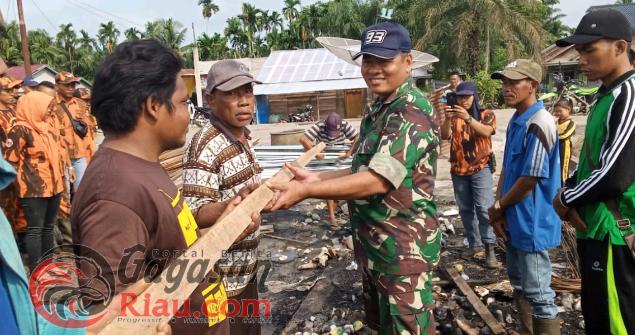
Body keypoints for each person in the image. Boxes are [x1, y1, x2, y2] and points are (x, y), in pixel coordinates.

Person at [71, 40, 257, 334]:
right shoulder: (114, 193)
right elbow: (115, 318)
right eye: (184, 102)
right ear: (154, 107)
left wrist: (225, 226)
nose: (188, 112)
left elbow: (170, 251)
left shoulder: (140, 166)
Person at [268, 22, 441, 334]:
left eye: (383, 61)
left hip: (403, 254)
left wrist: (307, 193)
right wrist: (313, 179)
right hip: (377, 249)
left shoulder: (410, 110)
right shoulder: (380, 108)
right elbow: (361, 171)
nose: (373, 69)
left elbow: (377, 180)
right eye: (368, 61)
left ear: (407, 61)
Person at [552, 9, 635, 334]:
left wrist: (565, 198)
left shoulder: (628, 96)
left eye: (589, 50)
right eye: (579, 52)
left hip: (615, 232)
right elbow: (593, 162)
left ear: (619, 47)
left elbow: (614, 174)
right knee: (599, 319)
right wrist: (569, 189)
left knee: (617, 324)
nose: (581, 59)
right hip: (597, 232)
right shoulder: (607, 97)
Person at [182, 59, 263, 334]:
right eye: (232, 93)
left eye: (247, 91)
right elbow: (193, 214)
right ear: (211, 99)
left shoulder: (242, 136)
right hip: (220, 283)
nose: (243, 102)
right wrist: (232, 208)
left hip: (245, 272)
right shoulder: (205, 144)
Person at [488, 59, 561, 334]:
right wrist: (498, 208)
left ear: (533, 85)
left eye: (514, 82)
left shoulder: (540, 122)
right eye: (504, 83)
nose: (507, 88)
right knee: (519, 284)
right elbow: (508, 168)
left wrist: (499, 207)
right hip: (514, 217)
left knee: (540, 293)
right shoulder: (519, 120)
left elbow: (530, 179)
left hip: (532, 220)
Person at [4, 91, 66, 271]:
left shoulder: (46, 127)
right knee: (36, 229)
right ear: (34, 106)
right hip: (33, 190)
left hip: (54, 186)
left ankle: (48, 265)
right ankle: (38, 269)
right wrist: (17, 188)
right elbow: (10, 162)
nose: (50, 110)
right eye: (47, 107)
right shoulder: (19, 130)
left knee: (48, 227)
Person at [440, 81, 498, 268]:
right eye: (460, 96)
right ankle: (475, 244)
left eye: (467, 96)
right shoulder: (454, 115)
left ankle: (490, 248)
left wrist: (468, 118)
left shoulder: (485, 113)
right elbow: (444, 135)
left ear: (474, 97)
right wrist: (448, 119)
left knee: (483, 208)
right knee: (465, 209)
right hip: (458, 170)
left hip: (480, 168)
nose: (463, 100)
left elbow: (487, 131)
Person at [299, 111, 358, 224]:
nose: (332, 136)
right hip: (325, 158)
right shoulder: (320, 125)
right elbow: (303, 139)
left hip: (339, 157)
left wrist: (349, 153)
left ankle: (338, 209)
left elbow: (357, 137)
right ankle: (332, 217)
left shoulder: (344, 124)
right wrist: (315, 152)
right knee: (331, 184)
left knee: (346, 184)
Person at [51, 71, 89, 188]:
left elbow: (87, 130)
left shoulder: (80, 104)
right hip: (60, 156)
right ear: (57, 86)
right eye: (67, 85)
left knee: (81, 191)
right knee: (64, 194)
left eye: (73, 85)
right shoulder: (50, 104)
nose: (71, 88)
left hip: (79, 155)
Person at [553, 99, 575, 184]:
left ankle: (563, 186)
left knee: (563, 169)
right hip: (555, 147)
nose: (558, 113)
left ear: (568, 110)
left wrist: (553, 137)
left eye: (560, 111)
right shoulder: (556, 122)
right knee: (555, 167)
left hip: (564, 149)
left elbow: (565, 135)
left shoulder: (571, 123)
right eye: (556, 111)